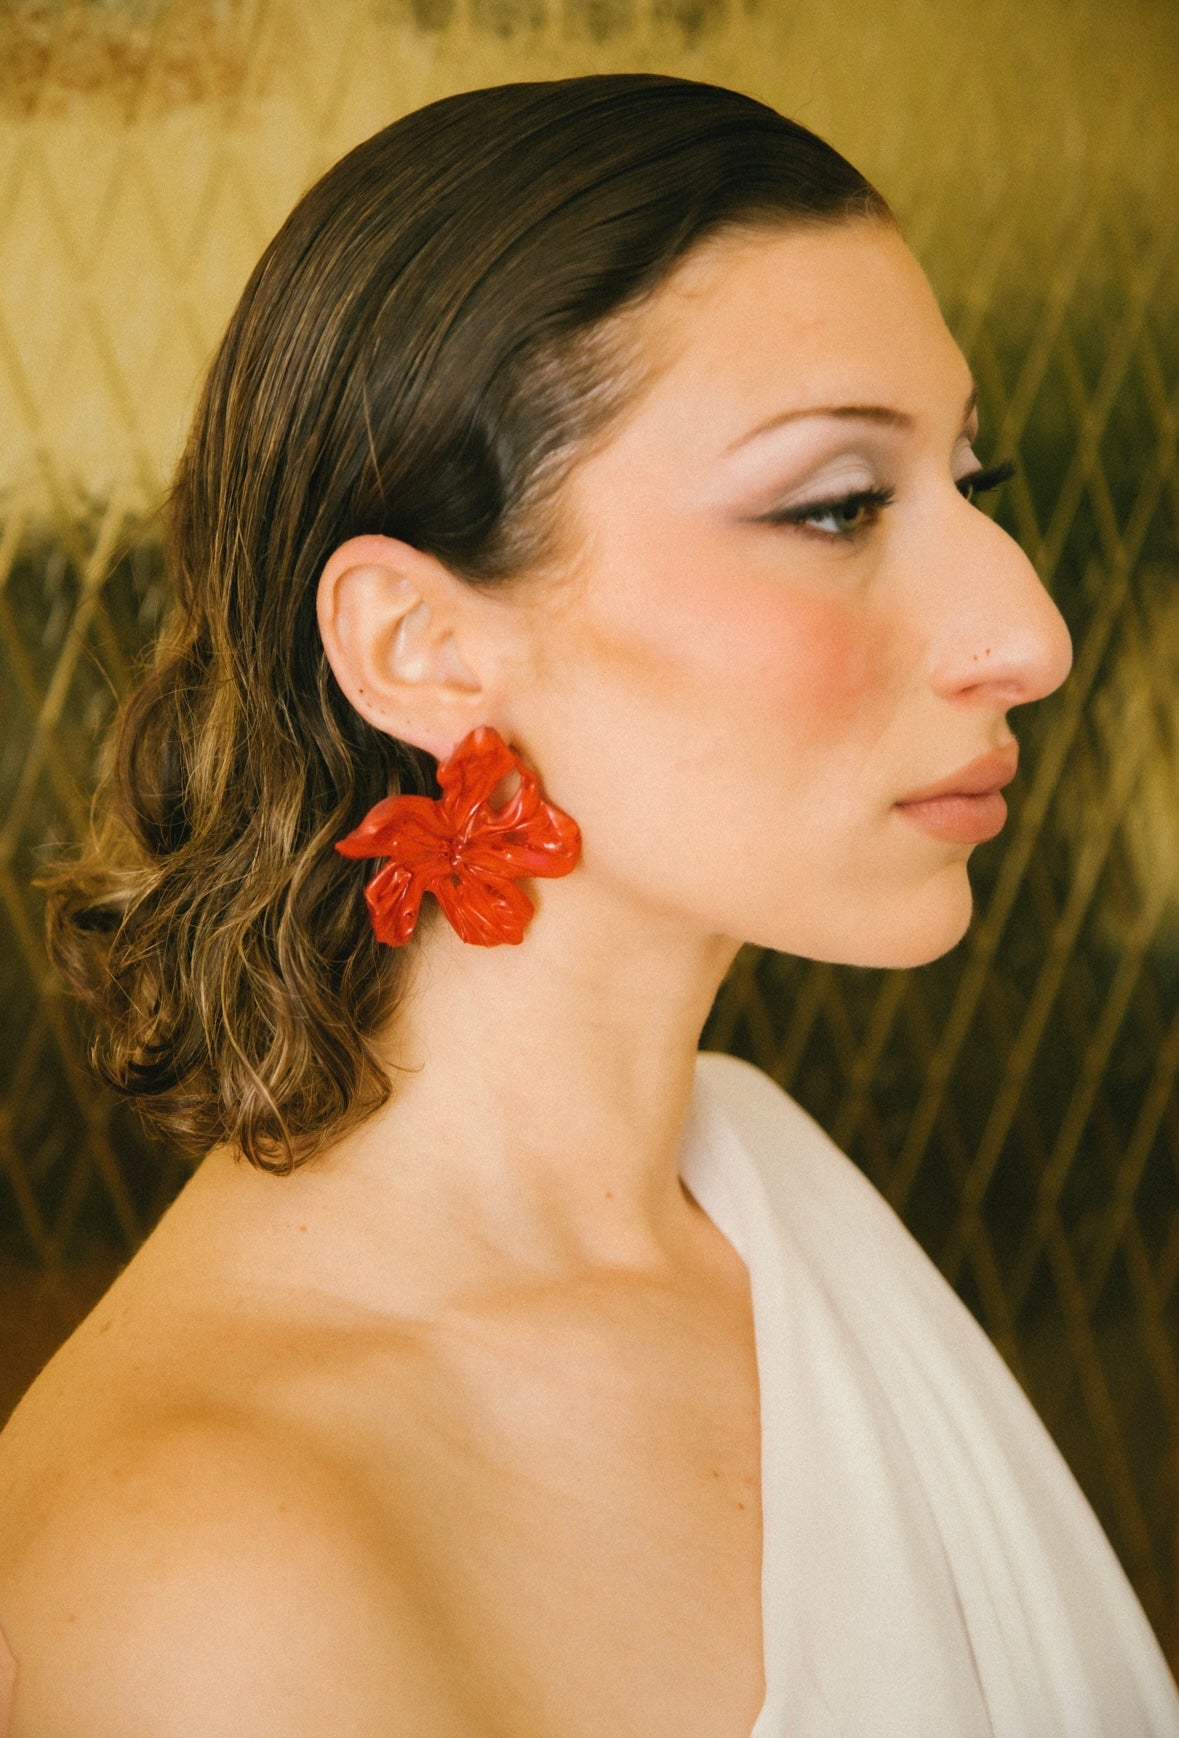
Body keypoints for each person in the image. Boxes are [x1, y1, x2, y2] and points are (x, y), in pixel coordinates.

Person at [0, 72, 1175, 1737]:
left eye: (973, 485)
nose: (1030, 634)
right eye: (837, 505)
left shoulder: (772, 1211)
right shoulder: (215, 1576)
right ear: (422, 645)